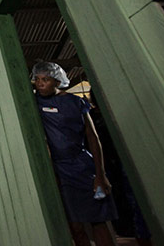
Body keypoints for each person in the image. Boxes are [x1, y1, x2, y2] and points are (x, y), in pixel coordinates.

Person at [31, 61, 118, 246]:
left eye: (45, 79)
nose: (40, 83)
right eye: (37, 79)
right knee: (75, 228)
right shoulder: (33, 103)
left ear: (57, 81)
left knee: (99, 220)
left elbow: (93, 137)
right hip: (60, 171)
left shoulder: (76, 102)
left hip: (84, 168)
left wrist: (100, 175)